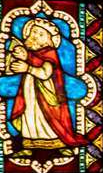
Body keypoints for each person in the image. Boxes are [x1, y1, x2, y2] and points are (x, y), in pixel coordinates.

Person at [6, 18, 87, 154]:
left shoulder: (49, 53)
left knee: (48, 117)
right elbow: (28, 61)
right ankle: (29, 145)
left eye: (40, 34)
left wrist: (27, 67)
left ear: (49, 40)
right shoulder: (31, 54)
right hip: (30, 92)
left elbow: (45, 74)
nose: (35, 36)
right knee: (30, 115)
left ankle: (57, 143)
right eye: (33, 32)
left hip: (47, 95)